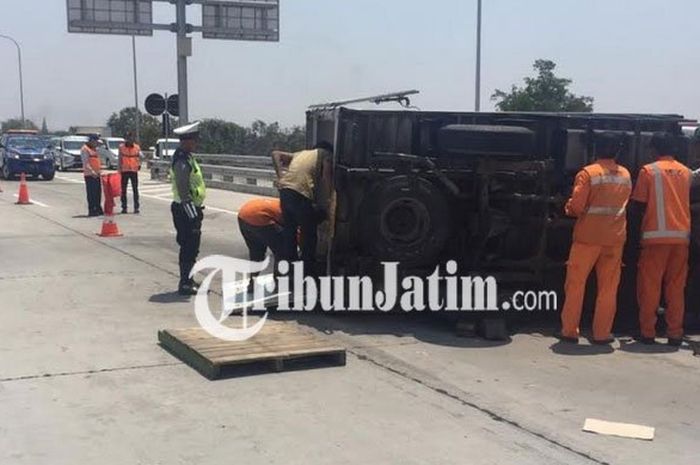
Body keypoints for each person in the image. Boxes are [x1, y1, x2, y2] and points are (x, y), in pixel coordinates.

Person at [558, 132, 632, 344]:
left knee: (575, 285)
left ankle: (570, 331)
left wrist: (566, 205)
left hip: (587, 238)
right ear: (617, 151)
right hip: (614, 239)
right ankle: (602, 334)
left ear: (595, 150)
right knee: (608, 288)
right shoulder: (625, 174)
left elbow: (576, 207)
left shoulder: (588, 173)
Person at [631, 132, 692, 347]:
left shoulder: (648, 171)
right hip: (681, 239)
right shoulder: (686, 172)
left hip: (655, 239)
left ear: (654, 149)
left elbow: (638, 205)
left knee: (650, 286)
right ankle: (675, 333)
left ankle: (648, 332)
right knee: (676, 288)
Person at [272, 142, 333, 276]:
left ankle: (290, 270)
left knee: (290, 232)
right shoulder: (326, 155)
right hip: (300, 194)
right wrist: (329, 201)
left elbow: (275, 154)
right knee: (309, 235)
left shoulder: (300, 153)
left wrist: (280, 177)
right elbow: (326, 177)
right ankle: (308, 273)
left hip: (285, 191)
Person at [170, 121, 206, 296]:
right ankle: (184, 283)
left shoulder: (188, 157)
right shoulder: (182, 161)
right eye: (194, 140)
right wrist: (193, 216)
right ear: (186, 141)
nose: (196, 143)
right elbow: (184, 192)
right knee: (188, 246)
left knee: (193, 247)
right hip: (185, 209)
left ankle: (189, 279)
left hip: (190, 208)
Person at [238, 198, 285, 292]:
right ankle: (279, 285)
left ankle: (252, 284)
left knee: (256, 253)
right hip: (259, 217)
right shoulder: (292, 214)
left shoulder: (283, 204)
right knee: (282, 252)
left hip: (243, 215)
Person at [118, 132, 143, 214]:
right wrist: (119, 170)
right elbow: (119, 159)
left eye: (131, 138)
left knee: (135, 190)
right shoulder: (121, 147)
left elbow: (141, 156)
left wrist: (139, 164)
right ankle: (124, 207)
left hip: (133, 170)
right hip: (124, 171)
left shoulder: (137, 147)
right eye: (128, 138)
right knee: (123, 190)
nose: (130, 139)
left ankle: (136, 207)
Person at [81, 134, 103, 217]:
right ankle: (91, 209)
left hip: (97, 174)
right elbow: (85, 163)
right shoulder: (85, 149)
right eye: (96, 142)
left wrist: (99, 171)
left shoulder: (94, 149)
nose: (97, 144)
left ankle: (98, 208)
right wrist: (92, 172)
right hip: (90, 175)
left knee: (98, 193)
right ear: (91, 141)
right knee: (91, 194)